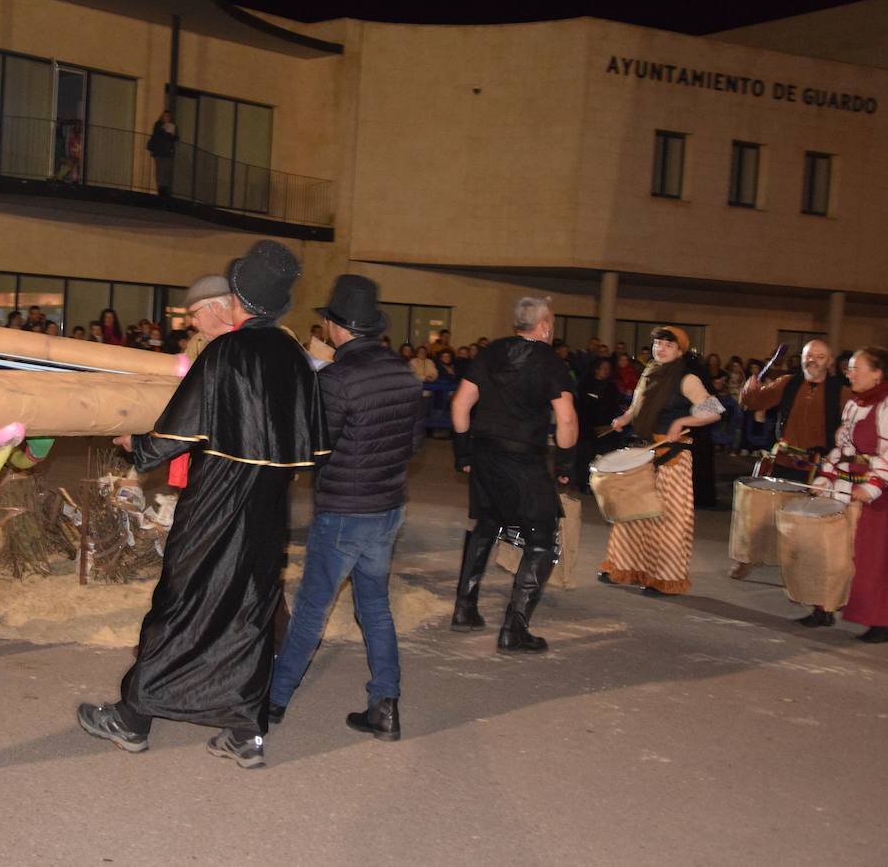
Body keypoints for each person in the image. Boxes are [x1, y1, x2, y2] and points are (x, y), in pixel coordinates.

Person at [77, 240, 326, 769]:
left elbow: (181, 426)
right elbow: (313, 441)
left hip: (218, 500)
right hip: (268, 508)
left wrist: (137, 445)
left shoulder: (228, 352)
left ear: (237, 300)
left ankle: (133, 717)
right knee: (250, 608)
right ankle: (245, 732)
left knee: (182, 599)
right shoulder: (293, 355)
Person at [268, 275, 422, 741]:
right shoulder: (402, 371)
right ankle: (385, 704)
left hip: (343, 510)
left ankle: (273, 700)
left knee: (312, 609)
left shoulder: (337, 378)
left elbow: (316, 446)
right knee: (375, 608)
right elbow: (413, 442)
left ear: (338, 327)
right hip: (387, 507)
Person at [449, 296, 578, 653]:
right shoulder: (550, 361)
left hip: (485, 452)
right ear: (544, 325)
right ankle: (514, 628)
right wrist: (566, 466)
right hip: (522, 457)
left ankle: (464, 609)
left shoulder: (491, 352)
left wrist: (463, 453)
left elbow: (460, 404)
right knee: (542, 539)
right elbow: (566, 419)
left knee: (487, 524)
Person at [597, 327, 723, 595]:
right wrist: (625, 418)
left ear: (680, 351)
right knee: (633, 513)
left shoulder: (687, 379)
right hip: (644, 452)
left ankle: (665, 578)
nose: (661, 348)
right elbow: (637, 405)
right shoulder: (650, 371)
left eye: (668, 345)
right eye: (658, 343)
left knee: (669, 520)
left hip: (672, 457)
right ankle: (626, 567)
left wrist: (683, 421)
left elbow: (713, 410)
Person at [804, 347, 888, 635]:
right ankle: (824, 607)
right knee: (831, 552)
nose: (848, 373)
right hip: (844, 488)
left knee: (871, 560)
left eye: (855, 368)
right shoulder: (854, 403)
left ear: (877, 374)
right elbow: (842, 448)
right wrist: (826, 477)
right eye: (849, 368)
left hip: (876, 498)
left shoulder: (886, 405)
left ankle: (880, 620)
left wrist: (872, 487)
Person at [738, 339, 849, 486]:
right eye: (808, 356)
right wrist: (750, 389)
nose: (812, 360)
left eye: (820, 357)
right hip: (783, 462)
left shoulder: (841, 391)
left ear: (830, 362)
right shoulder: (787, 382)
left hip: (819, 468)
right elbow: (753, 402)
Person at [576, 357, 625, 491]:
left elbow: (614, 405)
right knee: (586, 456)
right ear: (596, 369)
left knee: (603, 455)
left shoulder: (611, 386)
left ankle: (600, 483)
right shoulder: (585, 383)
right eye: (603, 368)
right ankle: (584, 482)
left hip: (605, 428)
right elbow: (581, 405)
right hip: (587, 427)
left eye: (608, 369)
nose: (606, 371)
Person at [180, 274, 233, 361]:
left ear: (216, 308)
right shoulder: (197, 342)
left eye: (195, 314)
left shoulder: (248, 342)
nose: (193, 322)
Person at [147, 109, 177, 196]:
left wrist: (171, 136)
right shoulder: (158, 125)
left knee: (166, 170)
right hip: (159, 151)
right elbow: (161, 135)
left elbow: (173, 138)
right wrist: (168, 134)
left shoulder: (172, 126)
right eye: (164, 116)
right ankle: (160, 188)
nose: (166, 118)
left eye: (168, 116)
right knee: (160, 170)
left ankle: (165, 188)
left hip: (167, 152)